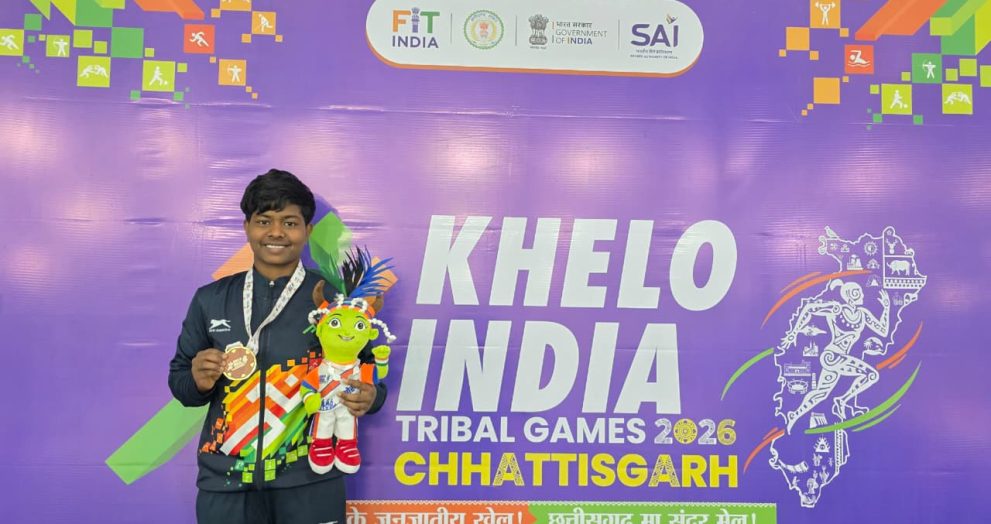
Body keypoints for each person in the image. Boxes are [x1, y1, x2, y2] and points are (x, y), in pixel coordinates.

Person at [168, 169, 385, 524]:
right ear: (247, 228)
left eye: (290, 222)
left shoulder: (336, 302)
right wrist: (197, 380)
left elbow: (368, 372)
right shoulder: (211, 299)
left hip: (310, 482)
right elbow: (181, 383)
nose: (276, 233)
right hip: (227, 481)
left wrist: (371, 397)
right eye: (264, 221)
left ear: (307, 230)